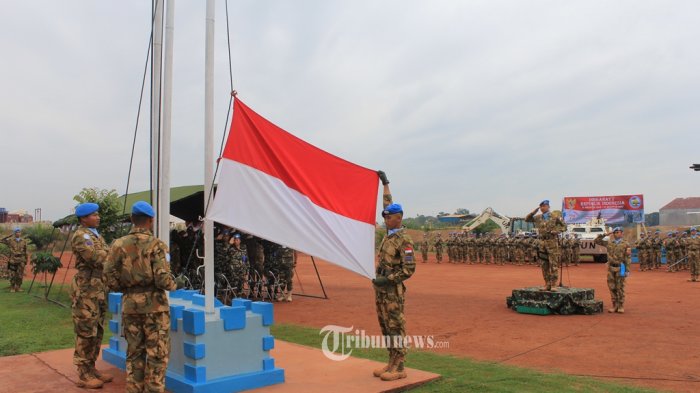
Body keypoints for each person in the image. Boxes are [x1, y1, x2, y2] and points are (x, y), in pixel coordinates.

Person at [103, 201, 177, 392]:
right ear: (151, 221)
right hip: (155, 308)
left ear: (131, 219)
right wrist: (176, 283)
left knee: (135, 352)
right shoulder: (157, 245)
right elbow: (163, 280)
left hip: (130, 305)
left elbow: (108, 276)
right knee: (157, 354)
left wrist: (126, 287)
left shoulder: (118, 244)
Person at [372, 170, 415, 382]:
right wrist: (385, 183)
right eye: (386, 216)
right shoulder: (389, 234)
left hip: (393, 291)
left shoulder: (404, 240)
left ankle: (400, 367)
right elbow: (387, 202)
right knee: (385, 326)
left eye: (390, 217)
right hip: (381, 290)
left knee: (396, 326)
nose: (386, 219)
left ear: (399, 218)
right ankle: (391, 361)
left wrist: (387, 279)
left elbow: (409, 270)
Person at [70, 202, 113, 388]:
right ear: (83, 218)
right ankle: (82, 373)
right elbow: (96, 258)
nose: (98, 217)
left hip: (99, 289)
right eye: (94, 215)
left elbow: (104, 254)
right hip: (86, 290)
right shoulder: (81, 236)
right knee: (86, 330)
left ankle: (91, 367)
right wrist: (114, 253)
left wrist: (110, 253)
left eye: (97, 214)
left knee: (97, 330)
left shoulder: (96, 235)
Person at [525, 200, 567, 291]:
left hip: (552, 242)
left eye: (544, 206)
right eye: (541, 206)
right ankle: (547, 284)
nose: (542, 208)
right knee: (544, 265)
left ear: (548, 206)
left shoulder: (555, 216)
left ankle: (553, 285)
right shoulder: (538, 217)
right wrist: (533, 212)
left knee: (553, 264)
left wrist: (557, 231)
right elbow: (527, 219)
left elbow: (564, 226)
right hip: (542, 243)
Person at [594, 227, 631, 313]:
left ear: (622, 233)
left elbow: (628, 258)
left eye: (619, 232)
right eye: (615, 232)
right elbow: (596, 241)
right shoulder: (609, 243)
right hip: (611, 267)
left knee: (620, 287)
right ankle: (614, 305)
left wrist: (627, 270)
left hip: (621, 267)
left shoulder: (626, 244)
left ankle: (621, 305)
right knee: (612, 286)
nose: (617, 234)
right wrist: (606, 234)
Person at [1, 228, 27, 292]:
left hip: (21, 260)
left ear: (20, 233)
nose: (18, 233)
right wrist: (9, 235)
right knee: (12, 274)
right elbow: (1, 240)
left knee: (20, 275)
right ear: (14, 233)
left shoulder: (24, 241)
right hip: (13, 260)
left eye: (19, 232)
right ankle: (12, 287)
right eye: (16, 232)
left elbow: (25, 251)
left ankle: (18, 287)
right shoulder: (10, 241)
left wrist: (25, 260)